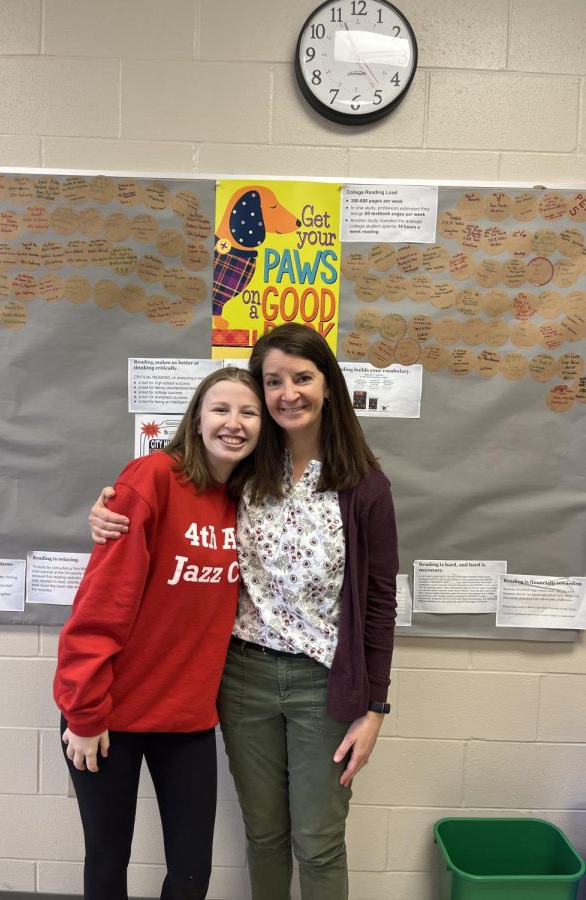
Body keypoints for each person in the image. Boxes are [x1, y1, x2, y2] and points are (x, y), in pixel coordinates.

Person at [89, 323, 399, 900]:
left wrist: (375, 707)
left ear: (328, 385)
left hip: (324, 685)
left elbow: (381, 603)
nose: (288, 393)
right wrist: (107, 511)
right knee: (264, 835)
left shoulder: (363, 486)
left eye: (302, 378)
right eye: (273, 381)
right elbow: (173, 492)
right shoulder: (245, 471)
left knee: (320, 839)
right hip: (241, 677)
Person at [54, 366, 262, 900]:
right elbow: (100, 605)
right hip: (108, 714)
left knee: (192, 870)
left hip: (186, 716)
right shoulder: (153, 479)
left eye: (248, 412)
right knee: (108, 858)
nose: (233, 423)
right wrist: (84, 711)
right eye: (220, 409)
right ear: (196, 418)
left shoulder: (251, 500)